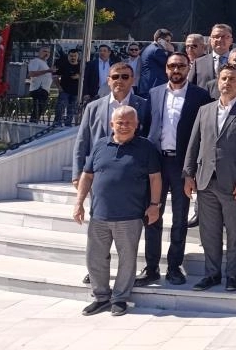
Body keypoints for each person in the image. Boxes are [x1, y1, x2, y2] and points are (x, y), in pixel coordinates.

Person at [72, 105, 161, 317]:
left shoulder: (146, 147)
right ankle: (101, 297)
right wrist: (79, 202)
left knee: (127, 259)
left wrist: (154, 205)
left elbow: (155, 178)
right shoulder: (100, 145)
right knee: (95, 257)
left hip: (130, 216)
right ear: (112, 124)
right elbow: (87, 175)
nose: (124, 126)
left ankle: (120, 298)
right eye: (120, 122)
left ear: (136, 125)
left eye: (129, 122)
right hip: (99, 214)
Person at [183, 64, 236, 292]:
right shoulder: (205, 110)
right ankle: (212, 274)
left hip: (235, 182)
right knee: (209, 232)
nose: (227, 83)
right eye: (224, 78)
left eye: (232, 79)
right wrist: (188, 174)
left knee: (235, 232)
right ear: (218, 81)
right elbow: (194, 143)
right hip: (205, 180)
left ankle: (233, 275)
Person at [138, 52, 210, 287]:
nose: (176, 70)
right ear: (166, 69)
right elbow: (146, 128)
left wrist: (193, 169)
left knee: (180, 218)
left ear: (188, 68)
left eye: (181, 66)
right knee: (152, 214)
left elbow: (204, 134)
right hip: (156, 163)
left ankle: (174, 266)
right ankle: (151, 267)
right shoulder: (155, 93)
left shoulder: (200, 96)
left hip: (182, 165)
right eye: (172, 66)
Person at [73, 62, 150, 185]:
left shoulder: (145, 106)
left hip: (134, 174)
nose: (119, 80)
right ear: (108, 80)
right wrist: (77, 174)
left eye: (125, 77)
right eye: (115, 77)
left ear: (132, 80)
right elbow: (82, 141)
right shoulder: (93, 107)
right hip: (99, 173)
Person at [189, 24, 235, 88]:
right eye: (216, 36)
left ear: (231, 40)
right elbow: (190, 86)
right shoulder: (198, 63)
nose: (220, 40)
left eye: (224, 36)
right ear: (210, 40)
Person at [137, 28, 174, 96]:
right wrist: (171, 52)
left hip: (147, 86)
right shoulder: (157, 50)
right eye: (167, 41)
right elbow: (169, 64)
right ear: (159, 40)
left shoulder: (149, 48)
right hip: (153, 86)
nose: (169, 43)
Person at [53, 49, 81, 126]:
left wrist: (79, 76)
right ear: (68, 56)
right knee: (60, 108)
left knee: (72, 110)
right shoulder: (63, 65)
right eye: (71, 56)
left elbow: (85, 77)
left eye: (75, 56)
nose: (73, 58)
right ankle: (57, 123)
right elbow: (55, 76)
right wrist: (59, 87)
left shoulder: (81, 66)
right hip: (64, 90)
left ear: (78, 56)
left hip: (76, 92)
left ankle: (68, 124)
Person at [26, 46, 53, 123]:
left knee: (40, 108)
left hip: (44, 89)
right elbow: (31, 74)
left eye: (48, 52)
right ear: (39, 52)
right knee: (38, 107)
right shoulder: (35, 61)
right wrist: (47, 71)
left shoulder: (45, 63)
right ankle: (33, 122)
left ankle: (34, 121)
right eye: (44, 51)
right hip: (38, 89)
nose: (47, 53)